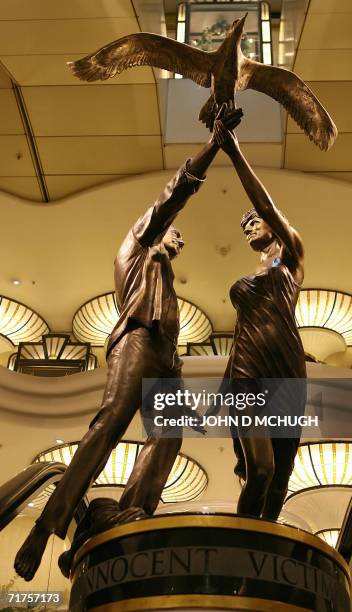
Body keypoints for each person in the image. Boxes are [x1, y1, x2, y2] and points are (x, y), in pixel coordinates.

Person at [14, 108, 243, 581]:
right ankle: (45, 526)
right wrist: (214, 146)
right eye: (174, 234)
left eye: (179, 239)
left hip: (165, 355)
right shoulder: (136, 248)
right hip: (136, 339)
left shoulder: (166, 280)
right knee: (112, 420)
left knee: (170, 436)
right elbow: (173, 196)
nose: (178, 240)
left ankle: (126, 519)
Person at [213, 109, 306, 520]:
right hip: (248, 370)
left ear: (274, 223)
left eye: (254, 222)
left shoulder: (291, 257)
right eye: (244, 226)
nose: (248, 227)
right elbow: (241, 333)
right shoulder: (254, 273)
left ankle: (263, 556)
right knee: (261, 469)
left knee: (280, 476)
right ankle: (243, 545)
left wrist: (234, 152)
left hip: (285, 367)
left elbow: (264, 202)